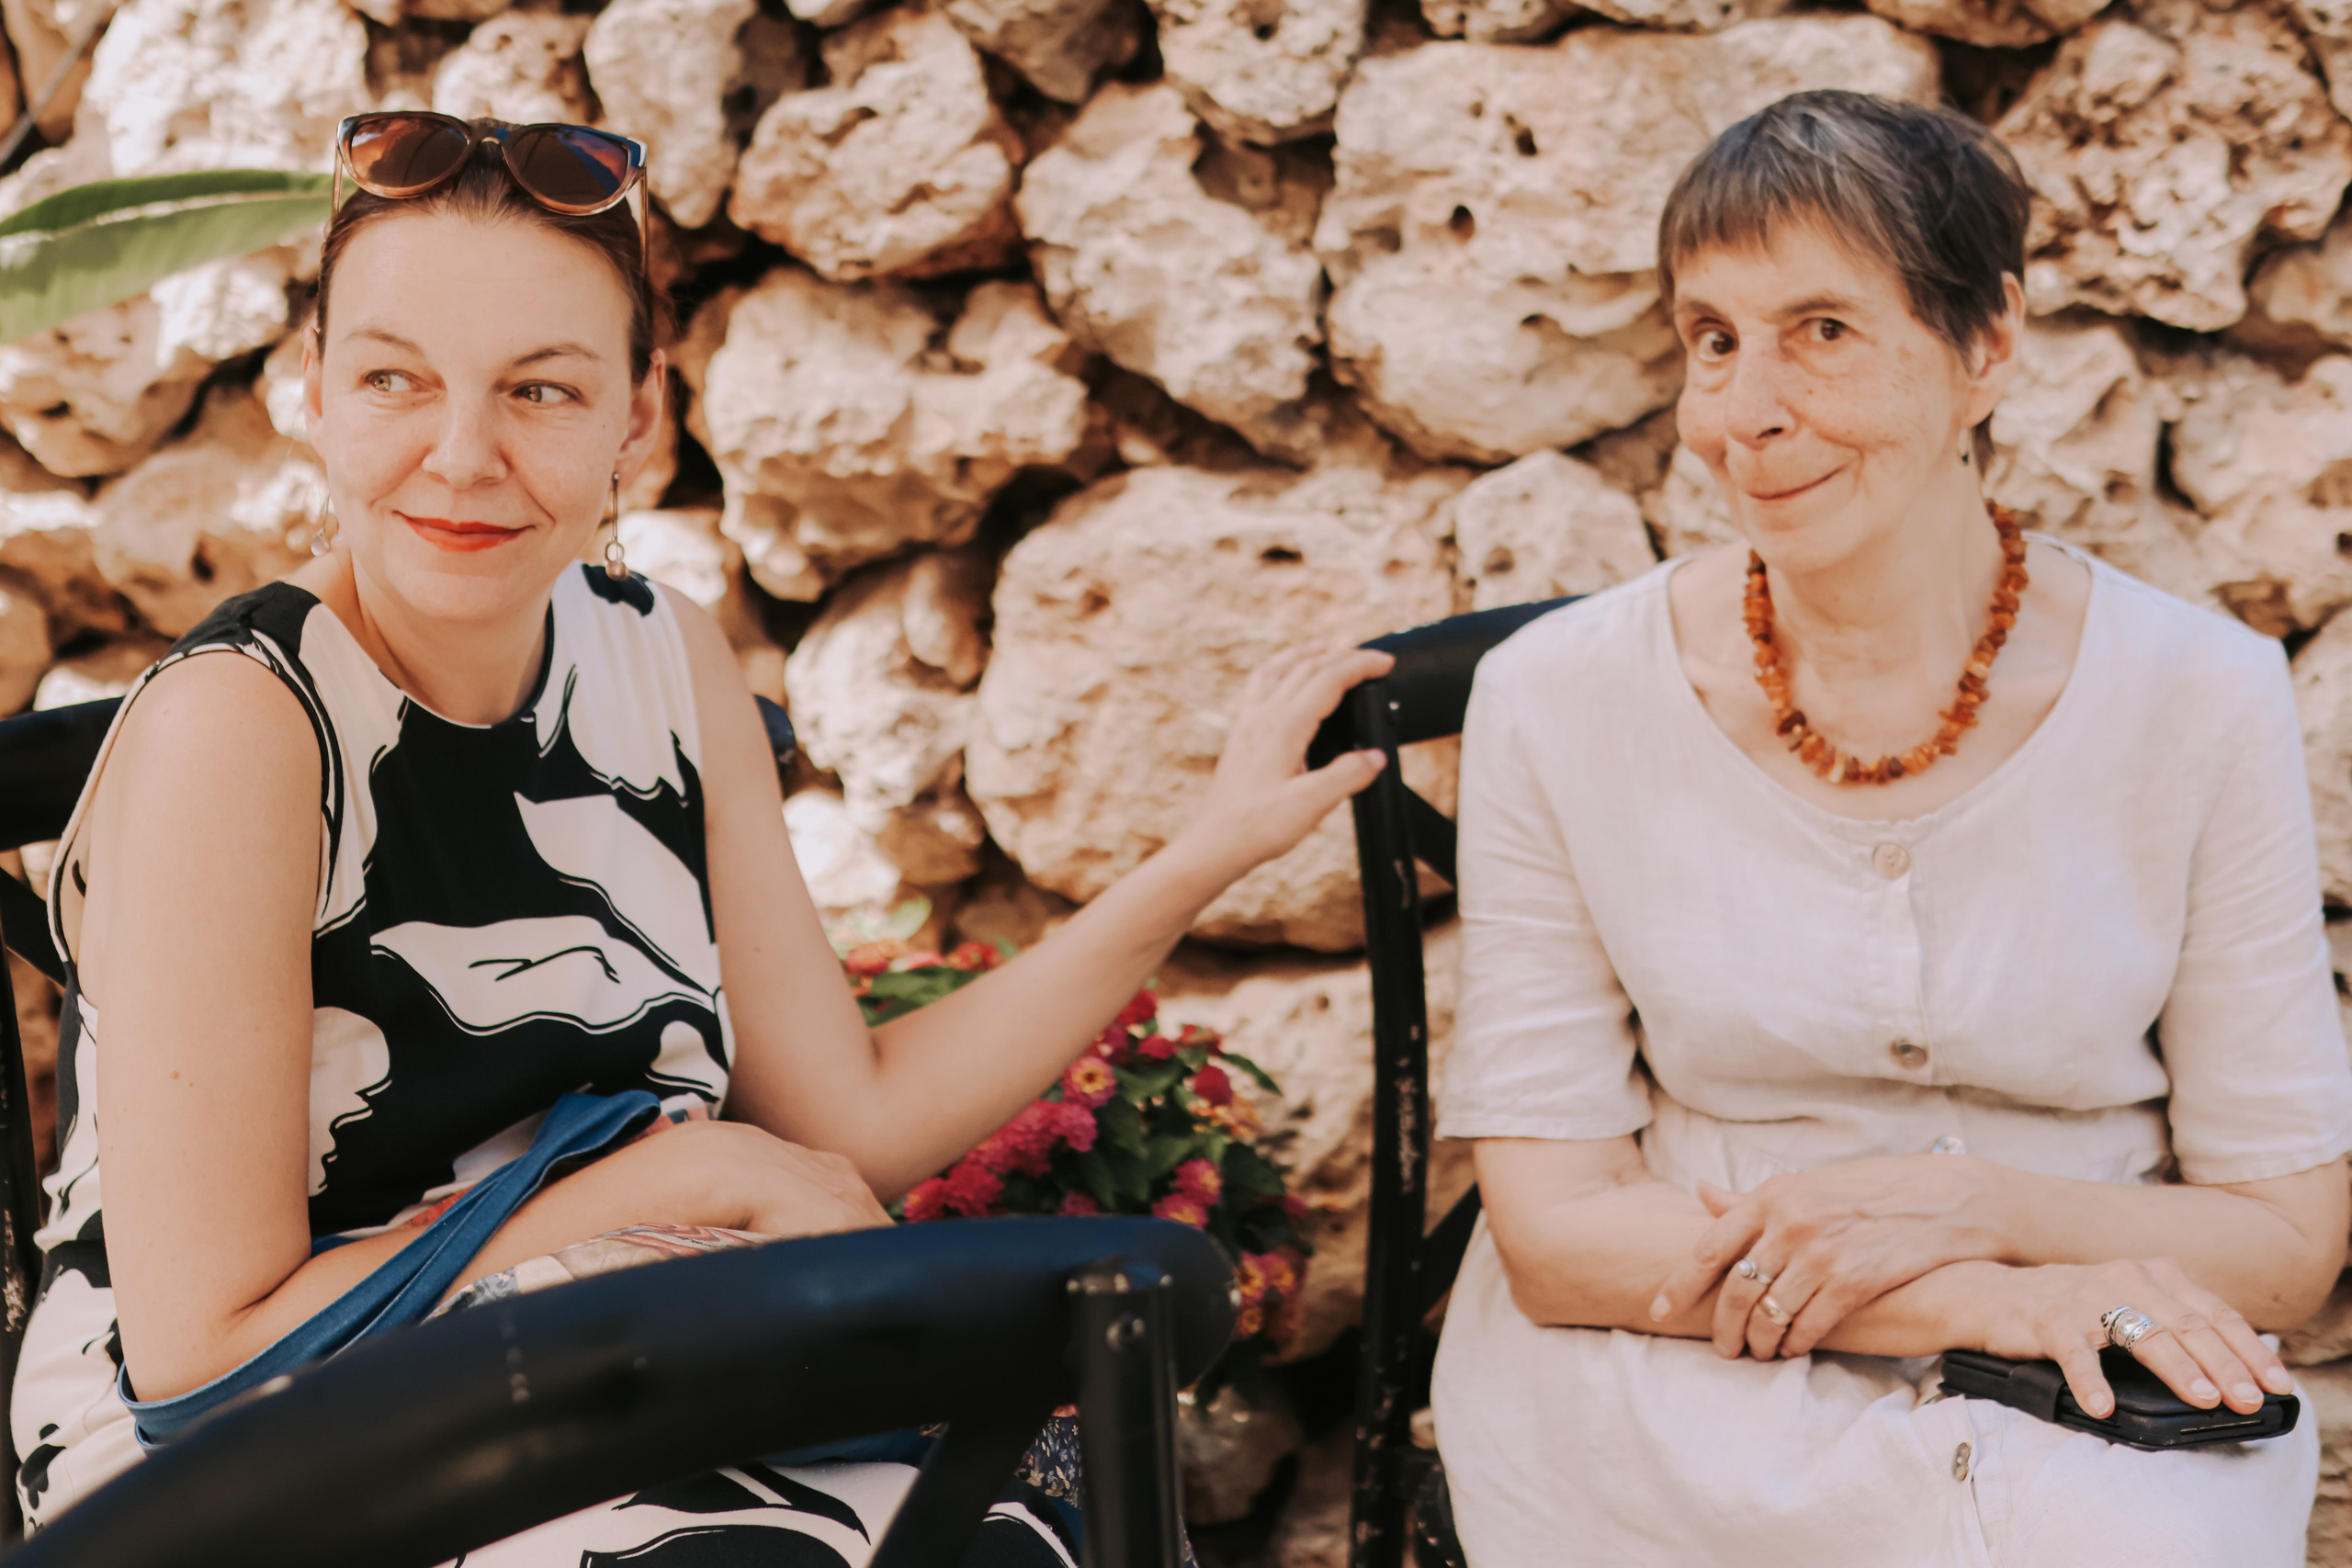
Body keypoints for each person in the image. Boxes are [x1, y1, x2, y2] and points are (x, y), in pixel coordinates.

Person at [7, 112, 1396, 1557]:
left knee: (1027, 1536)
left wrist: (1202, 858)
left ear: (639, 414)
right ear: (310, 393)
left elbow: (846, 1121)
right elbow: (198, 1360)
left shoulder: (662, 660)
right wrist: (676, 1180)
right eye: (392, 382)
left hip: (629, 1367)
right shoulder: (244, 726)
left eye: (540, 391)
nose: (461, 456)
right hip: (255, 1463)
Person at [1430, 90, 2352, 1567]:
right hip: (1670, 1370)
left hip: (2103, 1370)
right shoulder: (1557, 697)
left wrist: (1975, 1209)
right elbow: (1556, 1241)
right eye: (1714, 338)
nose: (1747, 411)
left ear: (1987, 347)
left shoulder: (2198, 696)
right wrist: (1987, 1294)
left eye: (1824, 330)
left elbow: (2288, 1245)